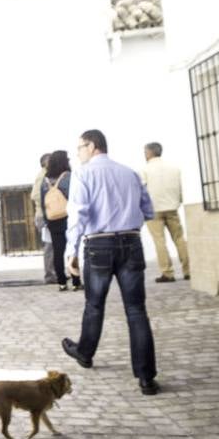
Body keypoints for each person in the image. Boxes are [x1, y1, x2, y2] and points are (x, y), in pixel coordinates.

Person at [60, 129, 160, 395]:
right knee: (136, 310)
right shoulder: (130, 173)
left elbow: (78, 213)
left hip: (99, 245)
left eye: (80, 147)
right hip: (131, 242)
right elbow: (148, 210)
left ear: (92, 146)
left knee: (94, 305)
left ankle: (85, 353)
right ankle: (146, 377)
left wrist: (71, 252)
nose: (78, 153)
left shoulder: (84, 173)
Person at [141, 142, 190, 283]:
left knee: (159, 241)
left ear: (149, 153)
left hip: (154, 210)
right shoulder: (174, 168)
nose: (144, 154)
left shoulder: (145, 170)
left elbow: (143, 192)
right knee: (179, 238)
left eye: (145, 152)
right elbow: (180, 189)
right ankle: (188, 270)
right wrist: (178, 202)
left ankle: (167, 273)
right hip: (172, 208)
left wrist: (143, 209)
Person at [40, 150, 81, 291]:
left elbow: (42, 202)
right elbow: (74, 198)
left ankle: (62, 283)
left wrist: (47, 220)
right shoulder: (67, 177)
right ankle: (76, 281)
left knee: (58, 251)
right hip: (67, 218)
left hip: (52, 220)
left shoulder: (45, 180)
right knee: (72, 250)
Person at [30, 153, 57, 283]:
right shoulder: (43, 175)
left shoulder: (49, 175)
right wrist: (49, 202)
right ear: (45, 163)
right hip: (44, 215)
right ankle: (50, 275)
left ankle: (55, 273)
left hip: (48, 214)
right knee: (50, 246)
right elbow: (34, 195)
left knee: (55, 245)